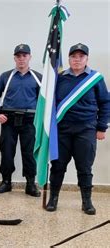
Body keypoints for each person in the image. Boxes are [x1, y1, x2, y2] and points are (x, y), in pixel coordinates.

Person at [46, 43, 109, 215]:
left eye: (81, 56)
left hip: (86, 129)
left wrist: (102, 127)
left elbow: (105, 103)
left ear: (87, 59)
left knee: (84, 168)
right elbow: (49, 103)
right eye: (74, 56)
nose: (77, 59)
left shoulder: (96, 79)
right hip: (62, 130)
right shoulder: (59, 78)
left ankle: (86, 201)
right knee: (57, 166)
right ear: (69, 58)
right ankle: (53, 198)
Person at [0, 44, 42, 197]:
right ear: (14, 58)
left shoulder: (38, 78)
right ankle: (6, 181)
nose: (21, 59)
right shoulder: (5, 77)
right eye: (18, 56)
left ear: (30, 57)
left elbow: (44, 101)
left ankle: (31, 184)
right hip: (8, 120)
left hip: (30, 121)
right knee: (6, 151)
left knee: (29, 153)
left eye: (24, 56)